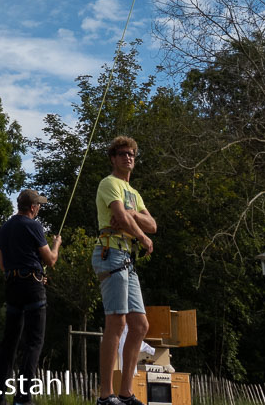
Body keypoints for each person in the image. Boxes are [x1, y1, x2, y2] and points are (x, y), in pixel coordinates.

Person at [92, 136, 157, 405]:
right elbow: (119, 216)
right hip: (111, 252)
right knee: (116, 322)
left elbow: (152, 223)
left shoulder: (134, 193)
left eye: (131, 154)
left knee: (140, 325)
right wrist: (141, 237)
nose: (127, 157)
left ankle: (126, 392)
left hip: (127, 258)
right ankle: (106, 395)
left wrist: (134, 218)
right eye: (121, 153)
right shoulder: (109, 183)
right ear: (113, 158)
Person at [0, 189, 62, 405]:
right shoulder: (34, 225)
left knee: (8, 344)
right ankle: (23, 398)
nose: (39, 207)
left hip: (12, 285)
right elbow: (50, 259)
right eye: (38, 204)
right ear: (32, 207)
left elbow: (3, 265)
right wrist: (56, 243)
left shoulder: (4, 228)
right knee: (33, 343)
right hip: (32, 289)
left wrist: (34, 273)